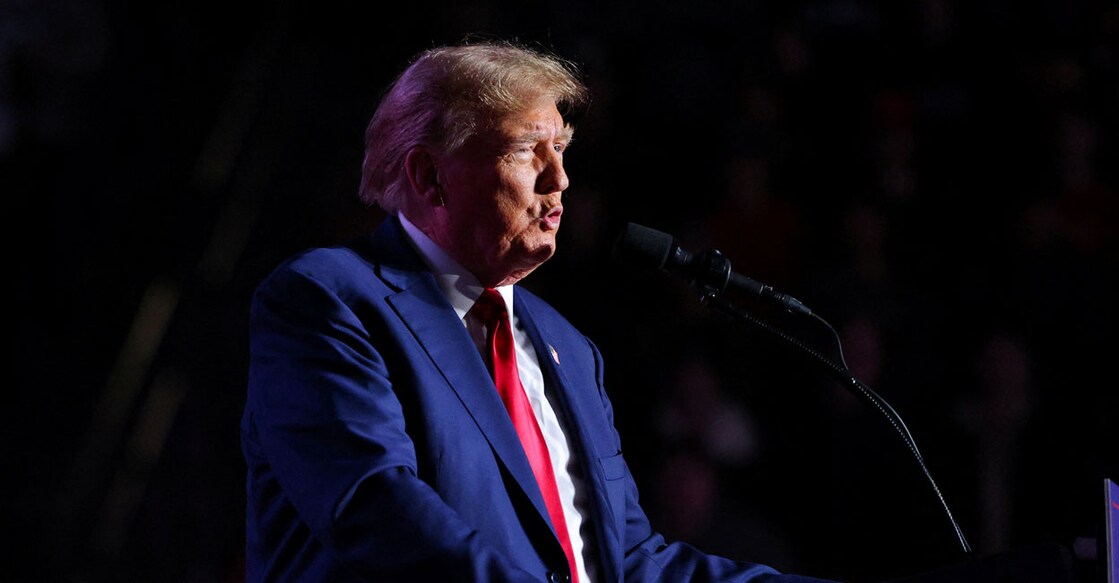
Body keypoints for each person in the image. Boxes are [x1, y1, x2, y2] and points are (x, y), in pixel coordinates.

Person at [241, 39, 839, 582]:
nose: (561, 180)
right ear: (429, 176)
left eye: (562, 150)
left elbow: (626, 561)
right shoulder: (330, 300)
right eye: (529, 151)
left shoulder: (570, 349)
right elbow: (374, 508)